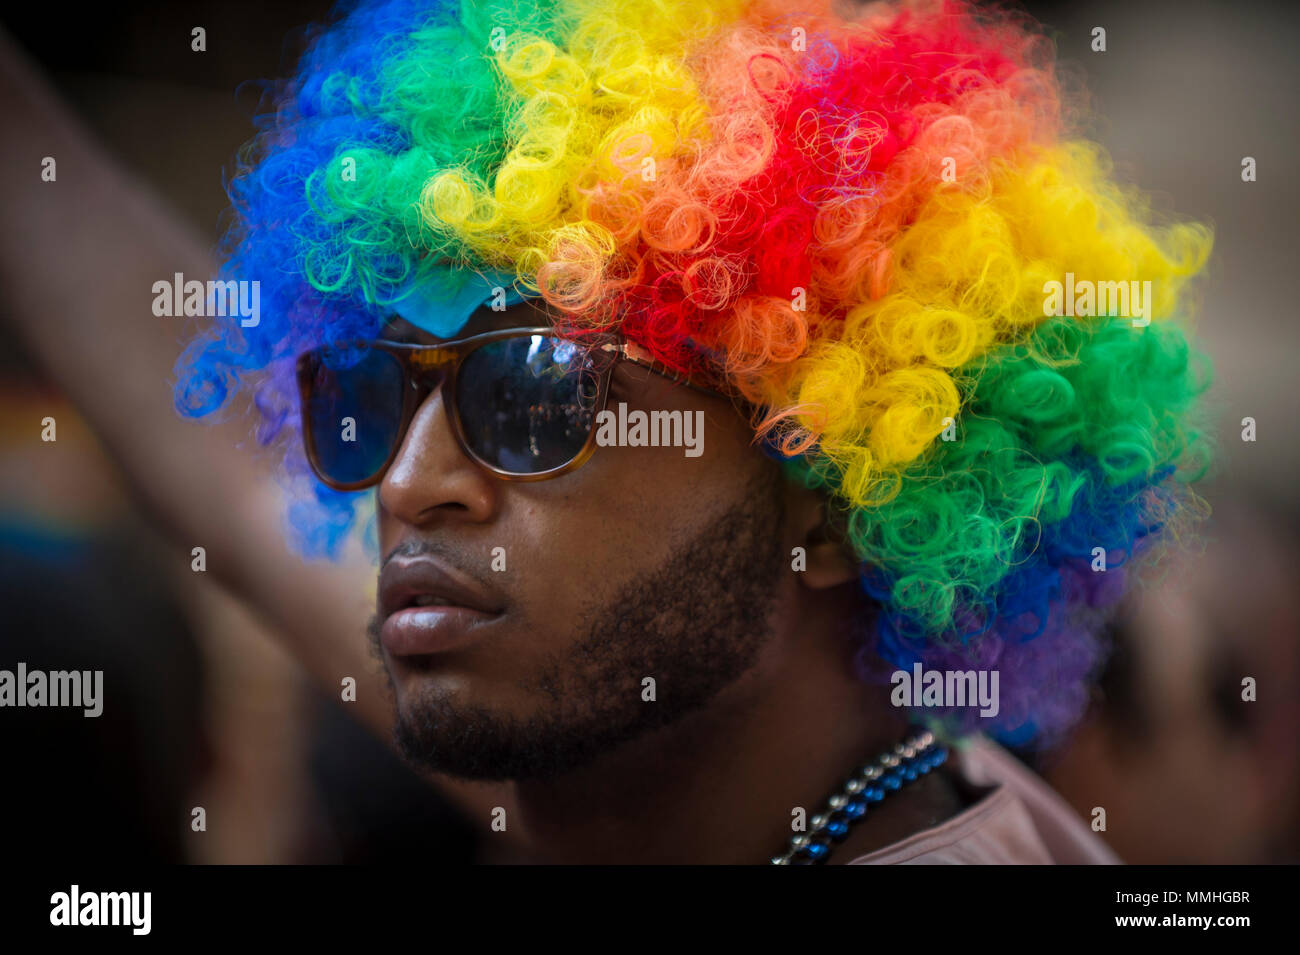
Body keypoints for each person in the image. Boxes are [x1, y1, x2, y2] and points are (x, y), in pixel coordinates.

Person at [2, 0, 1214, 864]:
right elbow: (234, 487)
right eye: (368, 393)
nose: (412, 483)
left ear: (831, 494)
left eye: (531, 396)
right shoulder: (636, 766)